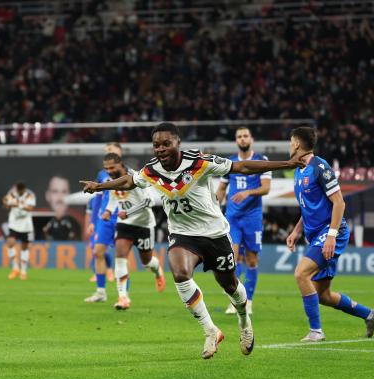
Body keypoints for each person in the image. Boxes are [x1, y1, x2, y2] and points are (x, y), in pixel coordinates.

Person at [81, 122, 309, 359]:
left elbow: (241, 167)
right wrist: (99, 187)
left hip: (214, 233)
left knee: (230, 285)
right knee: (179, 272)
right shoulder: (152, 169)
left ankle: (244, 320)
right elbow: (129, 181)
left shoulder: (200, 161)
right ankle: (211, 331)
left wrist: (287, 163)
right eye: (156, 145)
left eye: (166, 143)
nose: (160, 149)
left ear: (178, 143)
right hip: (182, 234)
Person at [285, 127, 374, 342]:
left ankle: (316, 332)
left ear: (297, 144)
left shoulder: (320, 167)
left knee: (301, 274)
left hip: (331, 233)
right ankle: (370, 314)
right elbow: (308, 207)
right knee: (323, 296)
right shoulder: (298, 170)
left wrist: (331, 235)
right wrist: (296, 230)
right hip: (317, 234)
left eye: (291, 141)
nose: (289, 145)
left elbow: (339, 202)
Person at [92, 152, 166, 309]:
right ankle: (123, 298)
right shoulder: (110, 181)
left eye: (112, 167)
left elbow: (149, 201)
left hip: (144, 224)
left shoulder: (136, 176)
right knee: (120, 256)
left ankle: (157, 271)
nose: (109, 170)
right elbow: (114, 198)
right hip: (124, 224)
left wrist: (129, 212)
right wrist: (108, 211)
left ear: (120, 164)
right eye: (106, 168)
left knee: (147, 262)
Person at [216, 127, 270, 315]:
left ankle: (250, 300)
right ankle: (236, 300)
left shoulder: (261, 161)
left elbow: (266, 188)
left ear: (251, 139)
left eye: (245, 135)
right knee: (232, 257)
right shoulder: (229, 162)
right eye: (239, 136)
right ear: (236, 140)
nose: (242, 138)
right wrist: (214, 207)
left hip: (252, 217)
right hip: (232, 217)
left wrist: (248, 192)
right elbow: (222, 188)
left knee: (251, 259)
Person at [84, 142, 122, 301]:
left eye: (111, 150)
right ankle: (101, 292)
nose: (108, 152)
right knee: (97, 252)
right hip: (105, 218)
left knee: (122, 257)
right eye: (106, 151)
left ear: (119, 152)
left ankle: (123, 295)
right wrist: (93, 221)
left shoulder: (130, 173)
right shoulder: (102, 174)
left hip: (122, 217)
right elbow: (98, 198)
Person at [3, 182, 36, 280]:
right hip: (14, 224)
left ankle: (23, 271)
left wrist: (18, 205)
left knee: (24, 248)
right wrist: (6, 203)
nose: (20, 192)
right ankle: (15, 268)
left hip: (26, 225)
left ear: (24, 190)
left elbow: (30, 208)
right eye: (19, 190)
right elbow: (5, 204)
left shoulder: (30, 196)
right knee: (10, 243)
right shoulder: (11, 195)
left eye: (21, 190)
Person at [43, 175, 80, 241]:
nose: (60, 197)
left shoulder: (78, 220)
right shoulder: (39, 217)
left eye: (64, 192)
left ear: (70, 195)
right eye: (55, 191)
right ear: (47, 195)